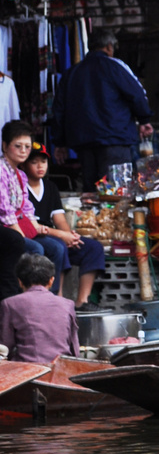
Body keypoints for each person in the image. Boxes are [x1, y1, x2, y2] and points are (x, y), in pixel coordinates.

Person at [52, 28, 154, 192]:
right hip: (115, 140)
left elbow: (59, 110)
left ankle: (93, 218)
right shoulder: (116, 66)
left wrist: (59, 142)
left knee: (91, 194)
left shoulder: (72, 73)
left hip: (83, 143)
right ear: (109, 47)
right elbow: (137, 94)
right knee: (117, 193)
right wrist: (144, 120)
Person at [23, 142, 105, 312]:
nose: (40, 166)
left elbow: (59, 219)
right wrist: (62, 236)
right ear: (24, 164)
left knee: (93, 248)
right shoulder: (21, 187)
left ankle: (82, 301)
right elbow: (33, 225)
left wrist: (70, 236)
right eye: (34, 162)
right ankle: (57, 298)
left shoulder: (51, 187)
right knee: (58, 246)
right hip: (33, 233)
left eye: (43, 162)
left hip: (53, 233)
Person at [0, 120, 68, 293]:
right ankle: (30, 295)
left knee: (57, 248)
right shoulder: (1, 170)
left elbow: (26, 206)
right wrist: (22, 234)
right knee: (35, 248)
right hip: (5, 227)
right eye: (18, 146)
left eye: (27, 146)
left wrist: (36, 227)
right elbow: (4, 208)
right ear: (5, 146)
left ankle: (49, 297)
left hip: (17, 226)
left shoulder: (20, 175)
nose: (23, 151)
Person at [0, 253, 79, 363]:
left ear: (20, 282)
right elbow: (74, 349)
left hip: (27, 372)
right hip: (60, 370)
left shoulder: (9, 304)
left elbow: (4, 348)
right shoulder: (68, 304)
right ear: (51, 281)